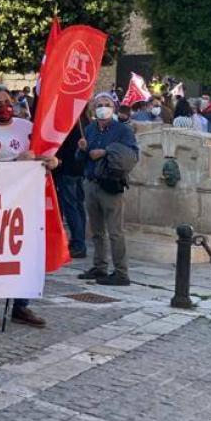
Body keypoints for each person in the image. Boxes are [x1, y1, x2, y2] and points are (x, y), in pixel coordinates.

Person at [0, 88, 50, 328]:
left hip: (27, 199)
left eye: (7, 102)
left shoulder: (26, 126)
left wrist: (50, 160)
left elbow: (41, 154)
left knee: (26, 250)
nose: (4, 107)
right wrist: (15, 163)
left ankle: (21, 304)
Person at [77, 93, 138, 287]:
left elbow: (132, 155)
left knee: (115, 231)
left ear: (114, 107)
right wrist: (82, 149)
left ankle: (121, 272)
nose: (103, 107)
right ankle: (100, 266)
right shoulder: (89, 129)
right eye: (99, 105)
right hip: (91, 182)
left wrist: (106, 151)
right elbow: (81, 158)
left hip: (110, 183)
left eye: (107, 104)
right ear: (93, 109)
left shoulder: (122, 130)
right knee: (96, 230)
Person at [54, 118, 88, 259]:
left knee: (71, 207)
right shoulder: (83, 120)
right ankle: (79, 241)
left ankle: (79, 244)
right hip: (78, 169)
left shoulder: (72, 121)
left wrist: (59, 160)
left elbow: (68, 146)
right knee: (78, 206)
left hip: (67, 169)